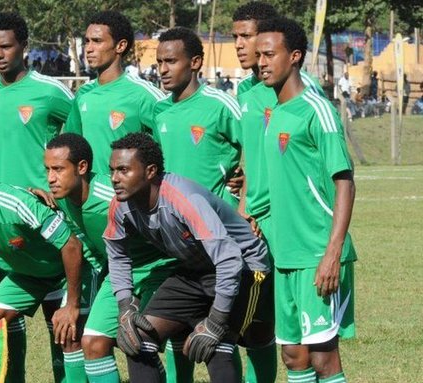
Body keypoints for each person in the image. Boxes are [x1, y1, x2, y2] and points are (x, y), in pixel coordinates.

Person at [105, 133, 273, 383]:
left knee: (216, 345)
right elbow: (117, 255)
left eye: (123, 170)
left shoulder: (183, 198)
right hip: (196, 269)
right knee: (136, 339)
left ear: (150, 171)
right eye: (112, 171)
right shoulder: (120, 205)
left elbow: (229, 260)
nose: (115, 179)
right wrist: (125, 307)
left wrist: (215, 321)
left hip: (246, 267)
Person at [0, 13, 75, 382]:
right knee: (5, 324)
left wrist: (57, 189)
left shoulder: (51, 91)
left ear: (24, 47)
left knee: (60, 321)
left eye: (7, 47)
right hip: (2, 223)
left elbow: (80, 145)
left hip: (48, 219)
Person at [257, 17, 356, 383]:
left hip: (317, 253)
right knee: (293, 355)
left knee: (322, 359)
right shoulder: (277, 113)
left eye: (270, 54)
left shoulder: (316, 109)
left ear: (295, 56)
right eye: (259, 55)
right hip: (285, 255)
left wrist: (332, 252)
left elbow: (345, 182)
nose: (261, 62)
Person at [0, 141, 87, 383]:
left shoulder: (16, 203)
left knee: (67, 335)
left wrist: (72, 305)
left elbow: (72, 246)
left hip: (64, 274)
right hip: (28, 277)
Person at [44, 133, 179, 383]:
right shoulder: (63, 200)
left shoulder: (114, 196)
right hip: (119, 273)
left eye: (58, 169)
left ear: (82, 167)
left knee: (136, 338)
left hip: (161, 268)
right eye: (48, 170)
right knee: (92, 342)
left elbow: (165, 203)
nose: (51, 178)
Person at [64, 10, 166, 175]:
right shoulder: (83, 93)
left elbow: (171, 146)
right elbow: (71, 148)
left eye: (97, 41)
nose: (88, 48)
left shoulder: (143, 95)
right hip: (91, 197)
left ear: (120, 46)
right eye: (87, 41)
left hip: (128, 198)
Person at [154, 27, 242, 209]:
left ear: (195, 62)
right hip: (174, 216)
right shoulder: (160, 109)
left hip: (218, 215)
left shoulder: (220, 105)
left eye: (171, 61)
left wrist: (247, 181)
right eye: (159, 62)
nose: (163, 69)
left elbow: (259, 148)